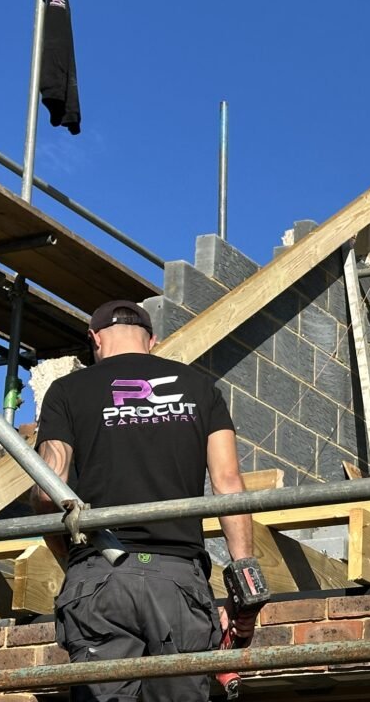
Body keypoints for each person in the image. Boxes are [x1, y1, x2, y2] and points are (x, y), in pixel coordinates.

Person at [33, 299, 255, 702]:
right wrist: (246, 587)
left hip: (99, 578)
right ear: (152, 341)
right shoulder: (200, 389)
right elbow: (228, 483)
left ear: (95, 339)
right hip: (177, 581)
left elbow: (49, 492)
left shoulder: (67, 391)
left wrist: (71, 559)